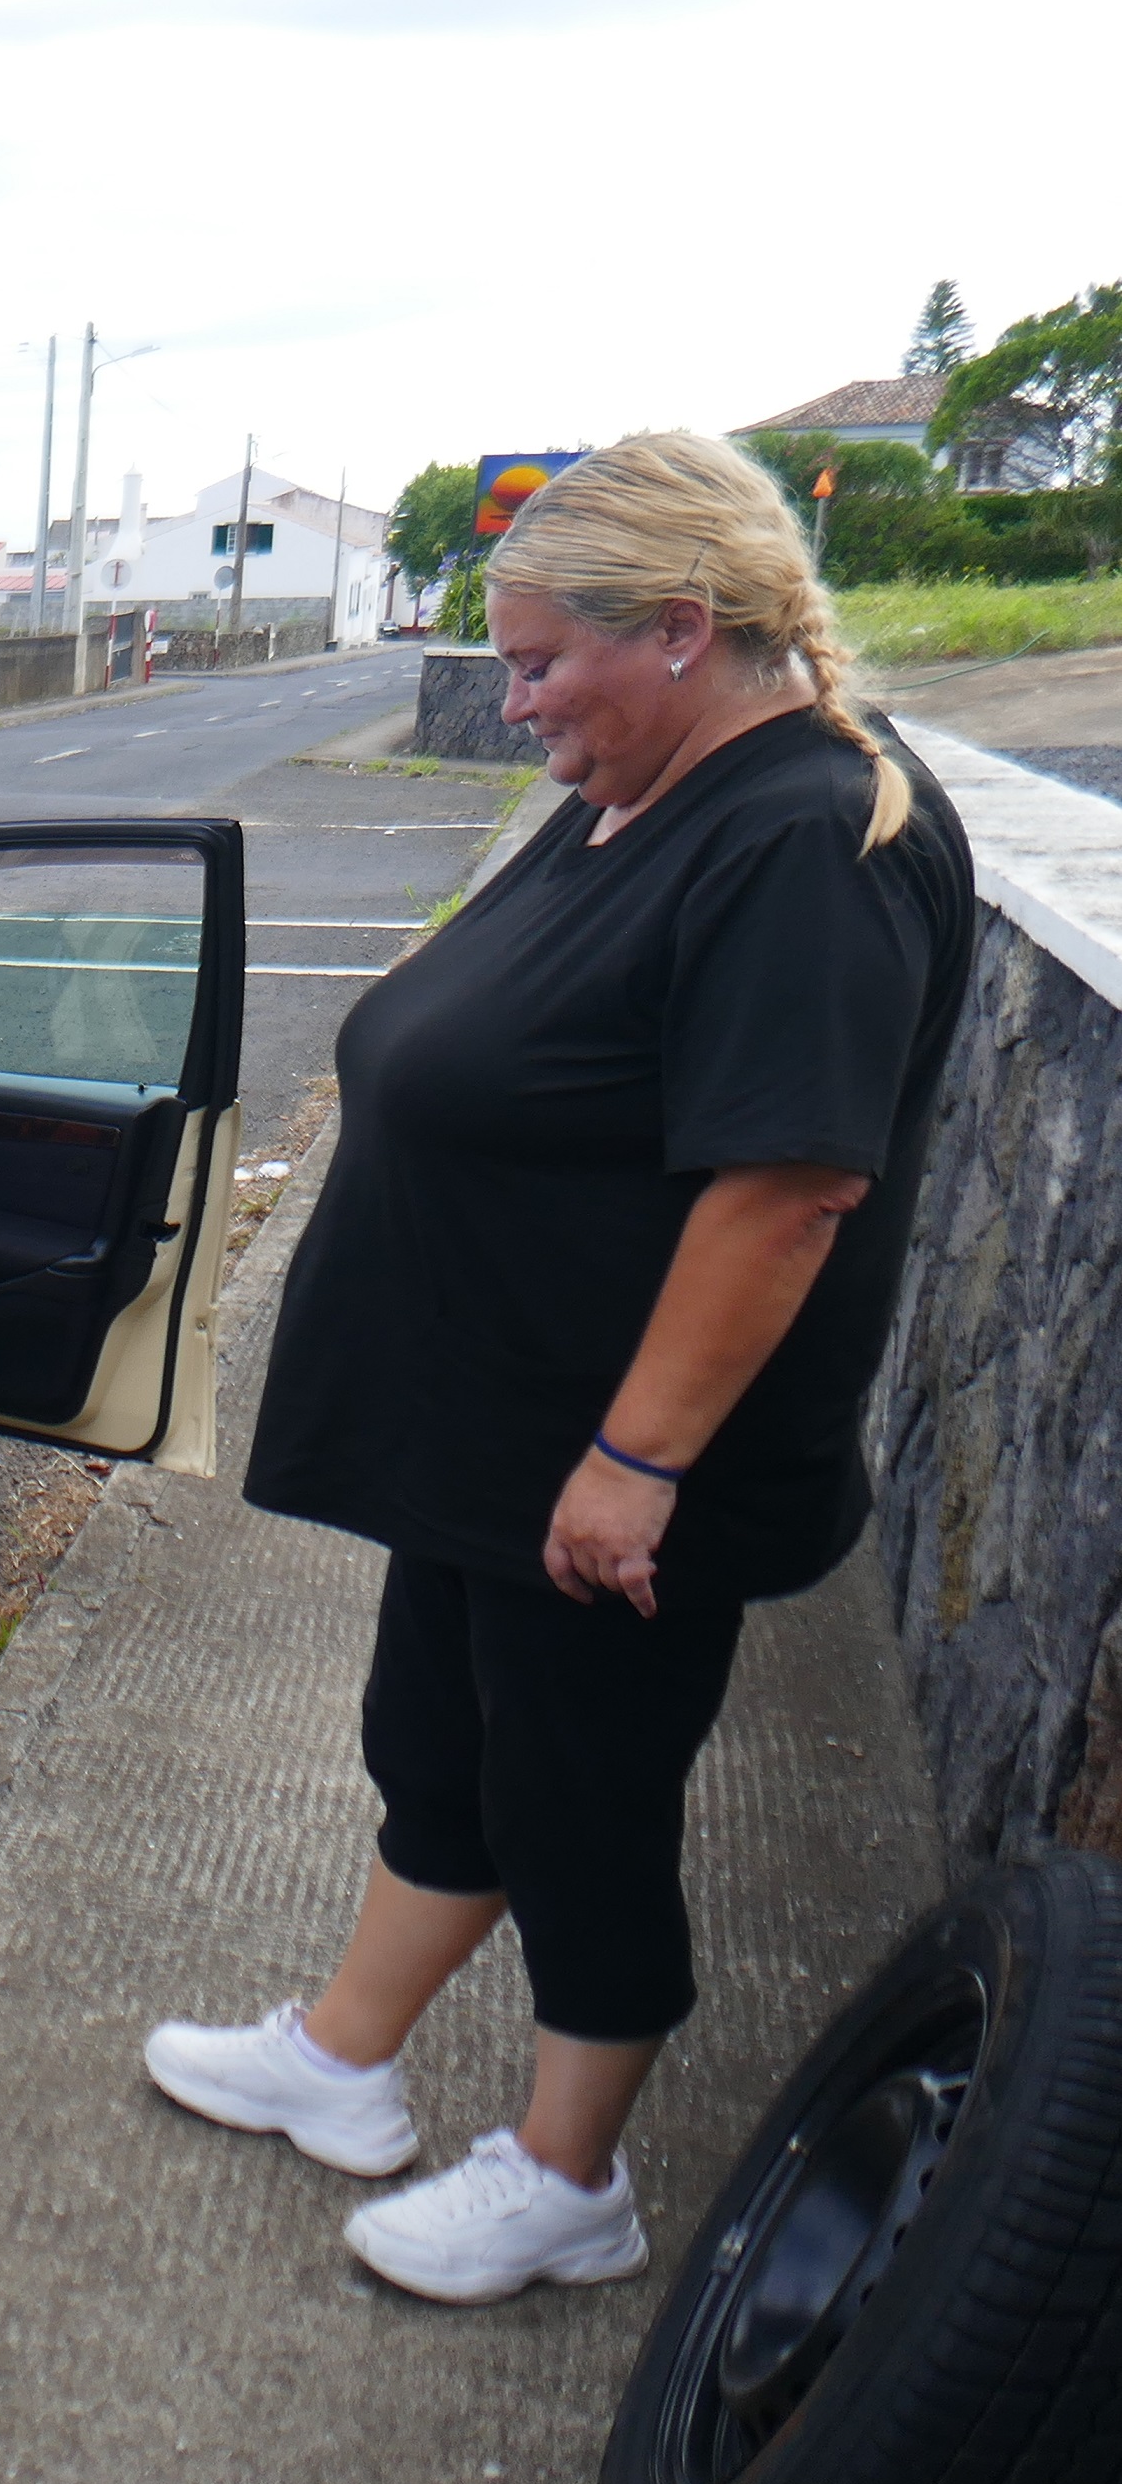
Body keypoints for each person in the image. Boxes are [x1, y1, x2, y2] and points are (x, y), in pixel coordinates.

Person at [145, 430, 975, 2303]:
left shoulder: (805, 838)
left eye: (540, 665)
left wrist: (638, 1459)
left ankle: (568, 2174)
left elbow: (787, 1188)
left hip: (616, 1460)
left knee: (580, 1803)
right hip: (500, 1427)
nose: (515, 703)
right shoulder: (661, 783)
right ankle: (345, 2056)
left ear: (680, 626)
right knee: (443, 1747)